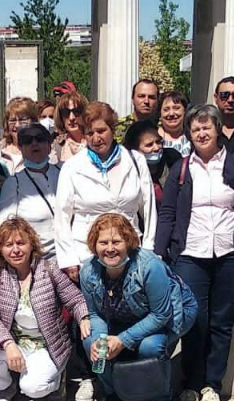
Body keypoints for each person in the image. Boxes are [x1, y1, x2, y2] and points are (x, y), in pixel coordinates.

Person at [156, 104, 234, 401]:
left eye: (207, 127)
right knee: (193, 321)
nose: (202, 133)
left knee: (221, 323)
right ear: (189, 134)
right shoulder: (182, 168)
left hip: (230, 254)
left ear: (218, 130)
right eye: (196, 129)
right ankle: (191, 385)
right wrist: (160, 255)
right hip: (190, 254)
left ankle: (212, 386)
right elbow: (168, 213)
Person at [0, 217, 89, 401]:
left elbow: (75, 299)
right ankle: (6, 386)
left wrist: (84, 317)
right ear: (0, 250)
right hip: (15, 344)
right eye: (8, 245)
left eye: (21, 243)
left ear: (32, 245)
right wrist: (9, 344)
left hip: (46, 346)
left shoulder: (49, 269)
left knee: (33, 389)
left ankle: (58, 380)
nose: (15, 250)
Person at [79, 213, 178, 401]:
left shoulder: (150, 266)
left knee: (150, 347)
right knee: (92, 343)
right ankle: (115, 395)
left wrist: (123, 339)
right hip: (119, 319)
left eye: (117, 241)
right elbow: (95, 313)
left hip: (159, 320)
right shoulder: (88, 270)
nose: (110, 248)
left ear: (129, 242)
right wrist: (99, 338)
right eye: (103, 242)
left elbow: (161, 314)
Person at [54, 100, 157, 277]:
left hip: (130, 252)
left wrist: (148, 247)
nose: (96, 138)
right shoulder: (72, 167)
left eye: (101, 131)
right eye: (90, 133)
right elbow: (62, 216)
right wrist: (69, 259)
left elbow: (148, 208)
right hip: (86, 254)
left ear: (113, 129)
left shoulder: (135, 161)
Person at [0, 122, 61, 263]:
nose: (34, 143)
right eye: (27, 141)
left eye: (40, 139)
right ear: (20, 148)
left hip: (71, 256)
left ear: (49, 144)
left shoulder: (64, 172)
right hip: (37, 262)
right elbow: (4, 227)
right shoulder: (14, 183)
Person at [124, 120, 183, 203]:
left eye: (158, 142)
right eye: (149, 145)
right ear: (134, 150)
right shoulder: (127, 171)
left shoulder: (173, 159)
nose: (156, 148)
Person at [0, 96, 37, 171]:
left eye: (23, 120)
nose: (17, 125)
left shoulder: (43, 151)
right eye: (12, 120)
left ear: (33, 121)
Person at [51, 90, 90, 163]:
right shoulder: (58, 148)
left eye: (76, 112)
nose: (71, 118)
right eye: (66, 113)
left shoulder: (94, 143)